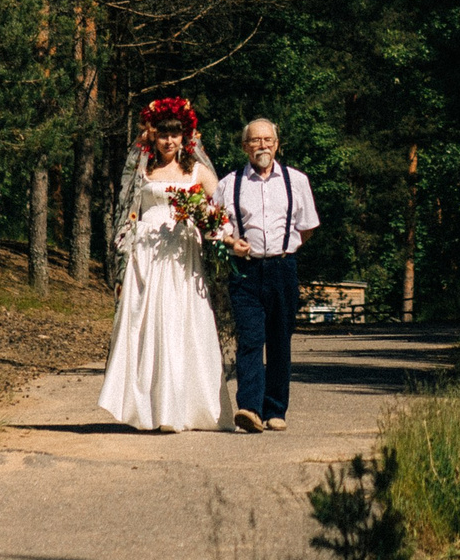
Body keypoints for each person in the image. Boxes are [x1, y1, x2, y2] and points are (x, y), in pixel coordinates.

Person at [97, 97, 231, 432]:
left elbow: (220, 211)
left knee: (179, 321)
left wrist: (218, 228)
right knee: (147, 324)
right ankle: (150, 408)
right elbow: (127, 210)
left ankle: (182, 408)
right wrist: (122, 257)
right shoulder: (142, 170)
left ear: (186, 137)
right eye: (162, 135)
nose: (169, 141)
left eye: (175, 135)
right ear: (152, 137)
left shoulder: (197, 171)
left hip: (181, 254)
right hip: (146, 253)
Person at [217, 117, 320, 433]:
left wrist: (286, 249)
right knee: (250, 338)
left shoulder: (296, 181)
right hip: (246, 272)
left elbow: (308, 226)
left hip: (282, 270)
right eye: (255, 140)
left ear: (277, 145)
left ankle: (276, 409)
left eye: (268, 140)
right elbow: (218, 228)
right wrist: (233, 243)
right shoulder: (229, 184)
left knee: (279, 340)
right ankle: (250, 408)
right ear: (244, 145)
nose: (262, 145)